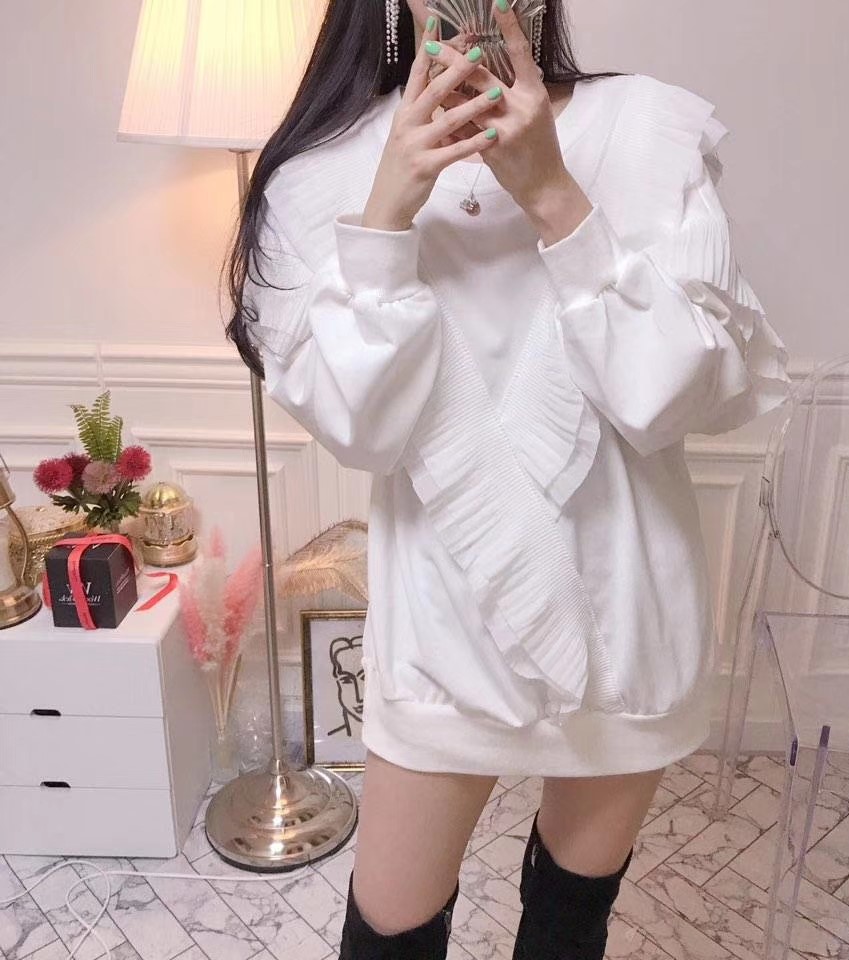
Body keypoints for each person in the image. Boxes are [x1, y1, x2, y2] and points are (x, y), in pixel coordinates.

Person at [225, 1, 791, 957]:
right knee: (390, 932)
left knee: (571, 918)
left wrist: (556, 196)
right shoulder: (324, 171)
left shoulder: (645, 129)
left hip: (623, 617)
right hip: (441, 633)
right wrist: (387, 211)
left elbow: (671, 401)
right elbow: (361, 429)